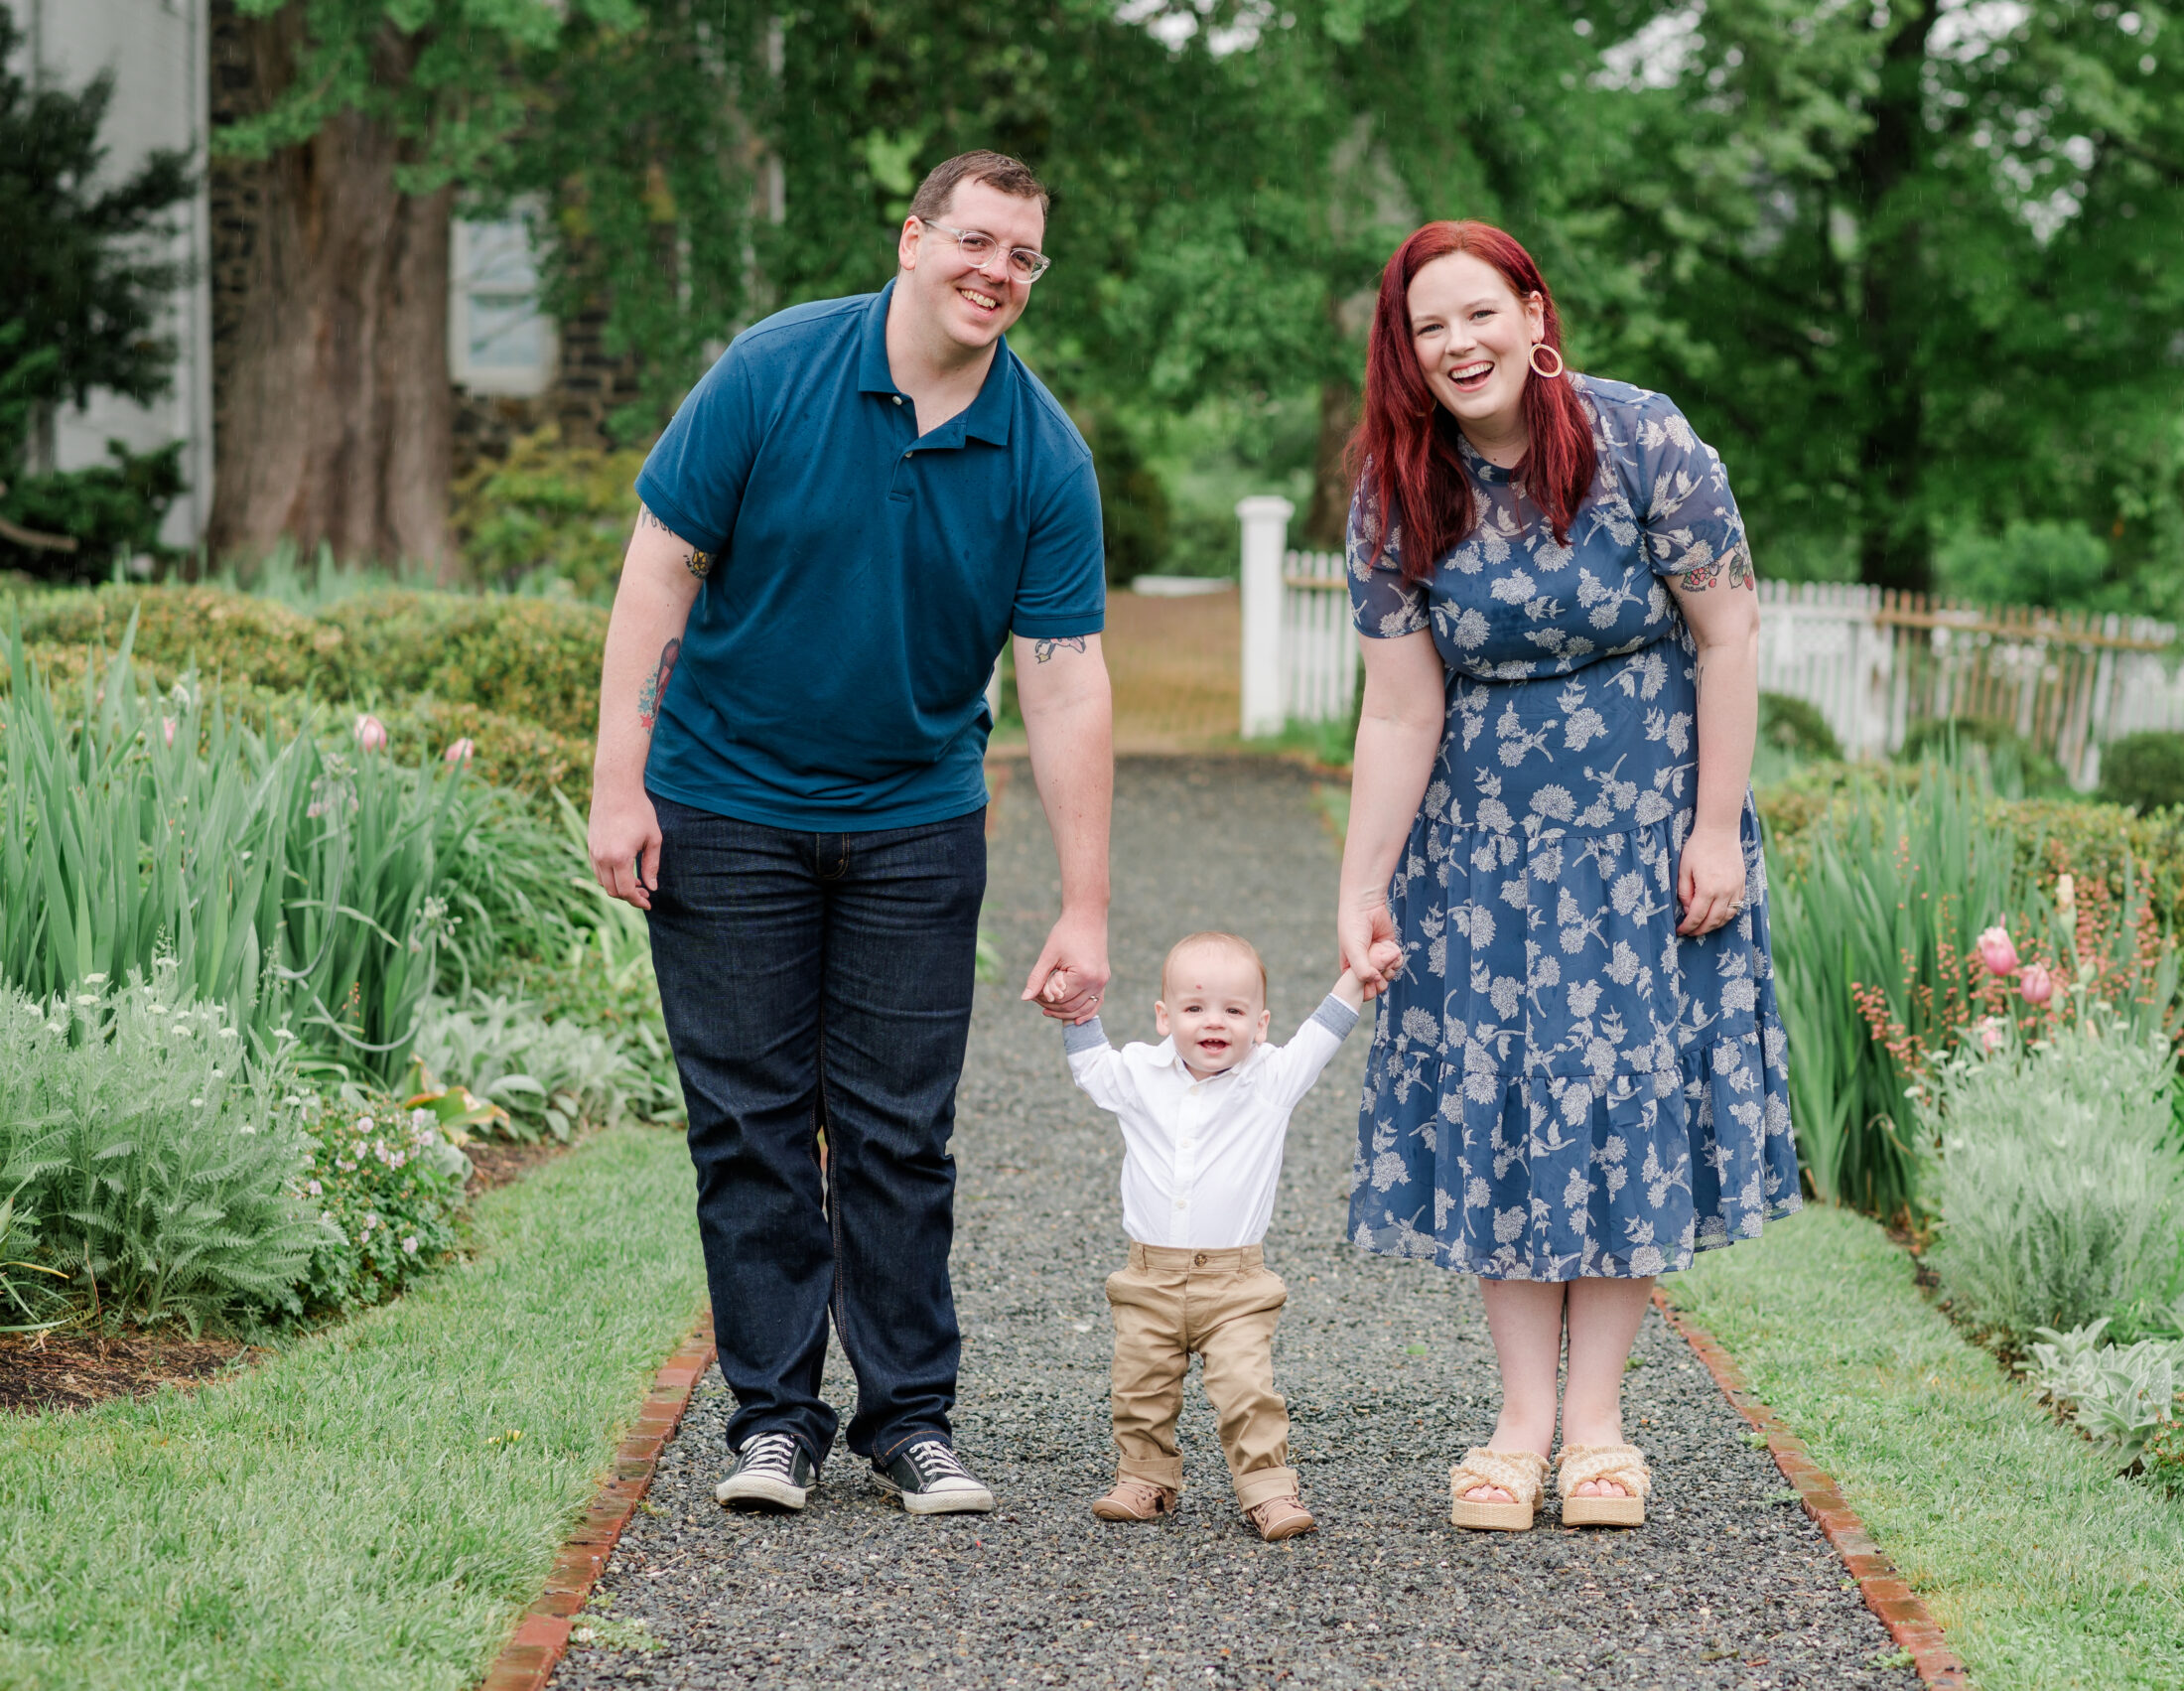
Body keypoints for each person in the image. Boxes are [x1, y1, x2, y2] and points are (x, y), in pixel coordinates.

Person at [585, 150, 1114, 1518]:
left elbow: (1062, 678)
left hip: (913, 823)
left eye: (1022, 257)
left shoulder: (1042, 451)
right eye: (976, 242)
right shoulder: (773, 370)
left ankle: (910, 1418)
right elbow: (661, 567)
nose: (996, 272)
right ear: (914, 236)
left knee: (897, 1133)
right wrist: (618, 782)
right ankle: (772, 1420)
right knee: (751, 1125)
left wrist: (1087, 903)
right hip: (726, 803)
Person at [1333, 220, 1801, 1531]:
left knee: (1621, 1110)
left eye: (1480, 312)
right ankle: (1517, 1420)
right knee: (1511, 1108)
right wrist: (1363, 881)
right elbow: (1399, 711)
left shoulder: (1644, 438)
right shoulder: (1397, 489)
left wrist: (1713, 827)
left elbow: (1729, 630)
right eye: (1430, 327)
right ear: (1409, 355)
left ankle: (1598, 1425)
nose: (1458, 343)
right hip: (1482, 847)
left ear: (1536, 315)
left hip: (1649, 829)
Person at [1057, 933, 1372, 1541]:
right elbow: (1091, 1068)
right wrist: (1077, 1008)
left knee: (1247, 1388)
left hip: (1236, 1283)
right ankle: (1145, 1479)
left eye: (1234, 1010)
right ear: (1164, 1016)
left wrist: (1357, 977)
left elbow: (1321, 1036)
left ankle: (1268, 1490)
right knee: (1140, 1384)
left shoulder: (1271, 1079)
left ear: (1260, 1023)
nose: (1214, 1022)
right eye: (1196, 1008)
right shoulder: (1139, 1075)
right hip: (1148, 1277)